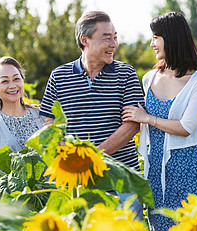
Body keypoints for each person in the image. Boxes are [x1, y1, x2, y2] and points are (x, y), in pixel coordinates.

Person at [122, 12, 197, 231]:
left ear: (171, 38)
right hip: (155, 169)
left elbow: (185, 127)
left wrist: (148, 119)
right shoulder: (149, 78)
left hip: (188, 168)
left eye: (156, 37)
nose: (152, 43)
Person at [40, 10, 144, 170]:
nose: (114, 44)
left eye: (115, 37)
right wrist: (71, 155)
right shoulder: (58, 76)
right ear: (84, 40)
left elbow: (132, 124)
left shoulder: (126, 73)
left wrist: (92, 156)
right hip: (75, 176)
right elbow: (49, 122)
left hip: (121, 177)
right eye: (106, 38)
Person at [0, 56, 45, 170]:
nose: (12, 85)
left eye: (16, 79)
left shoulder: (41, 115)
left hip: (49, 187)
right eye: (5, 81)